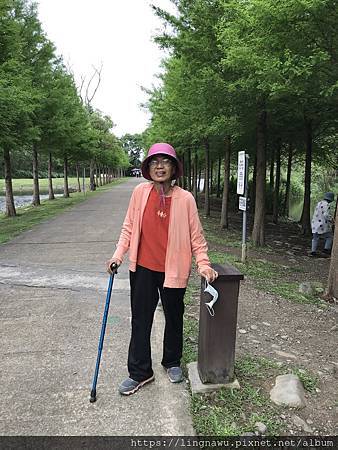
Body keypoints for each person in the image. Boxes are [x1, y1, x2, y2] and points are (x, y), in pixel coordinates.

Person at [106, 142, 218, 395]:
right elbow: (128, 227)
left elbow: (196, 236)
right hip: (142, 268)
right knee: (140, 321)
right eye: (154, 161)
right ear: (148, 167)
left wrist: (203, 263)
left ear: (173, 167)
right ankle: (140, 372)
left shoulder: (185, 199)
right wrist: (118, 255)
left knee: (174, 316)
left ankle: (171, 361)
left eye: (165, 161)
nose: (159, 165)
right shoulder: (139, 193)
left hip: (173, 270)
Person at [310, 192, 334, 257]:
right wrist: (332, 220)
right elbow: (326, 215)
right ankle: (326, 249)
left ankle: (313, 251)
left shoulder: (319, 203)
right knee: (330, 237)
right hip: (322, 225)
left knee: (315, 238)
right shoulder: (327, 205)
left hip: (315, 224)